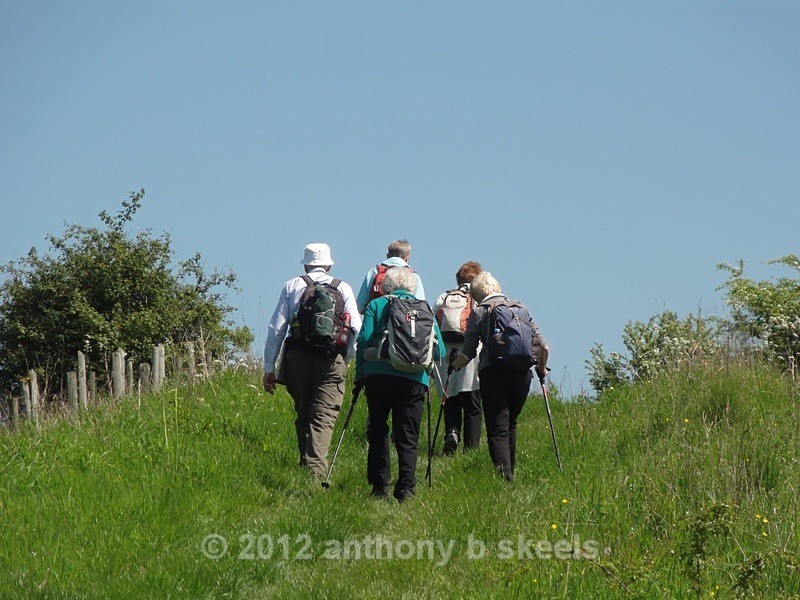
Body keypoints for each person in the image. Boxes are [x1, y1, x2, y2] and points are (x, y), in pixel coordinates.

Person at [262, 243, 362, 481]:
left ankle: (305, 465)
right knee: (324, 415)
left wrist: (269, 368)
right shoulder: (343, 287)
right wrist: (345, 359)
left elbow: (277, 328)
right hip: (330, 358)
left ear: (306, 264)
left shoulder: (293, 285)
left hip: (296, 357)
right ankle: (315, 474)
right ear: (328, 264)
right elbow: (356, 327)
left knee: (304, 411)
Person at [356, 267, 445, 502]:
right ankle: (407, 488)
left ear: (386, 286)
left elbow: (364, 341)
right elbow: (440, 351)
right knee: (408, 435)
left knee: (377, 429)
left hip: (379, 376)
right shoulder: (425, 309)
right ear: (412, 287)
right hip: (414, 379)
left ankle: (379, 487)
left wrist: (360, 373)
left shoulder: (376, 305)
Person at [450, 271, 548, 482]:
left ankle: (505, 478)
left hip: (493, 373)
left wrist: (453, 364)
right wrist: (541, 369)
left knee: (497, 428)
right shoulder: (520, 308)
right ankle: (510, 471)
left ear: (476, 296)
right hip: (522, 374)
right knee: (511, 422)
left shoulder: (479, 311)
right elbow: (544, 347)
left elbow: (467, 354)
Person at [433, 261, 483, 454]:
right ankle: (471, 449)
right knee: (472, 402)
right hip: (471, 352)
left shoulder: (444, 296)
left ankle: (452, 433)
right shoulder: (477, 297)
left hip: (446, 351)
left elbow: (433, 323)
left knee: (450, 396)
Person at [356, 239, 426, 313]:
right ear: (407, 259)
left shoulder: (374, 272)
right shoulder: (413, 276)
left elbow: (359, 307)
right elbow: (422, 307)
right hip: (406, 321)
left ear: (387, 256)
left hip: (379, 320)